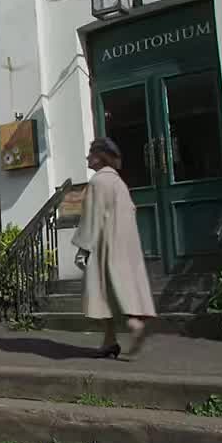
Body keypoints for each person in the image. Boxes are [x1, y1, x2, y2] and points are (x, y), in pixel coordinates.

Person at [71, 138, 157, 358]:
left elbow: (92, 217)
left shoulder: (98, 183)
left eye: (91, 154)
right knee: (111, 290)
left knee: (104, 289)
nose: (88, 158)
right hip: (124, 245)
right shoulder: (119, 182)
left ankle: (134, 325)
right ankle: (109, 341)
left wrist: (83, 248)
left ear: (100, 157)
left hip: (104, 245)